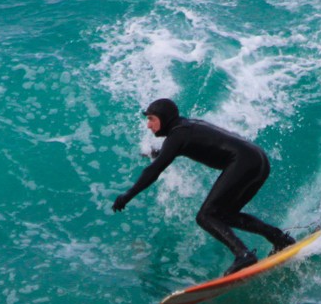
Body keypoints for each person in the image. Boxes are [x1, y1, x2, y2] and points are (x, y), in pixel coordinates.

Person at [112, 98, 295, 275]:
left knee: (205, 216)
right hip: (257, 159)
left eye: (152, 119)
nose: (148, 125)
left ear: (164, 118)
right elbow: (184, 147)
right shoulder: (186, 127)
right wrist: (158, 153)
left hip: (243, 162)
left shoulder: (177, 135)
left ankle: (243, 254)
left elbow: (154, 171)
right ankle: (279, 238)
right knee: (224, 215)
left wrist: (128, 195)